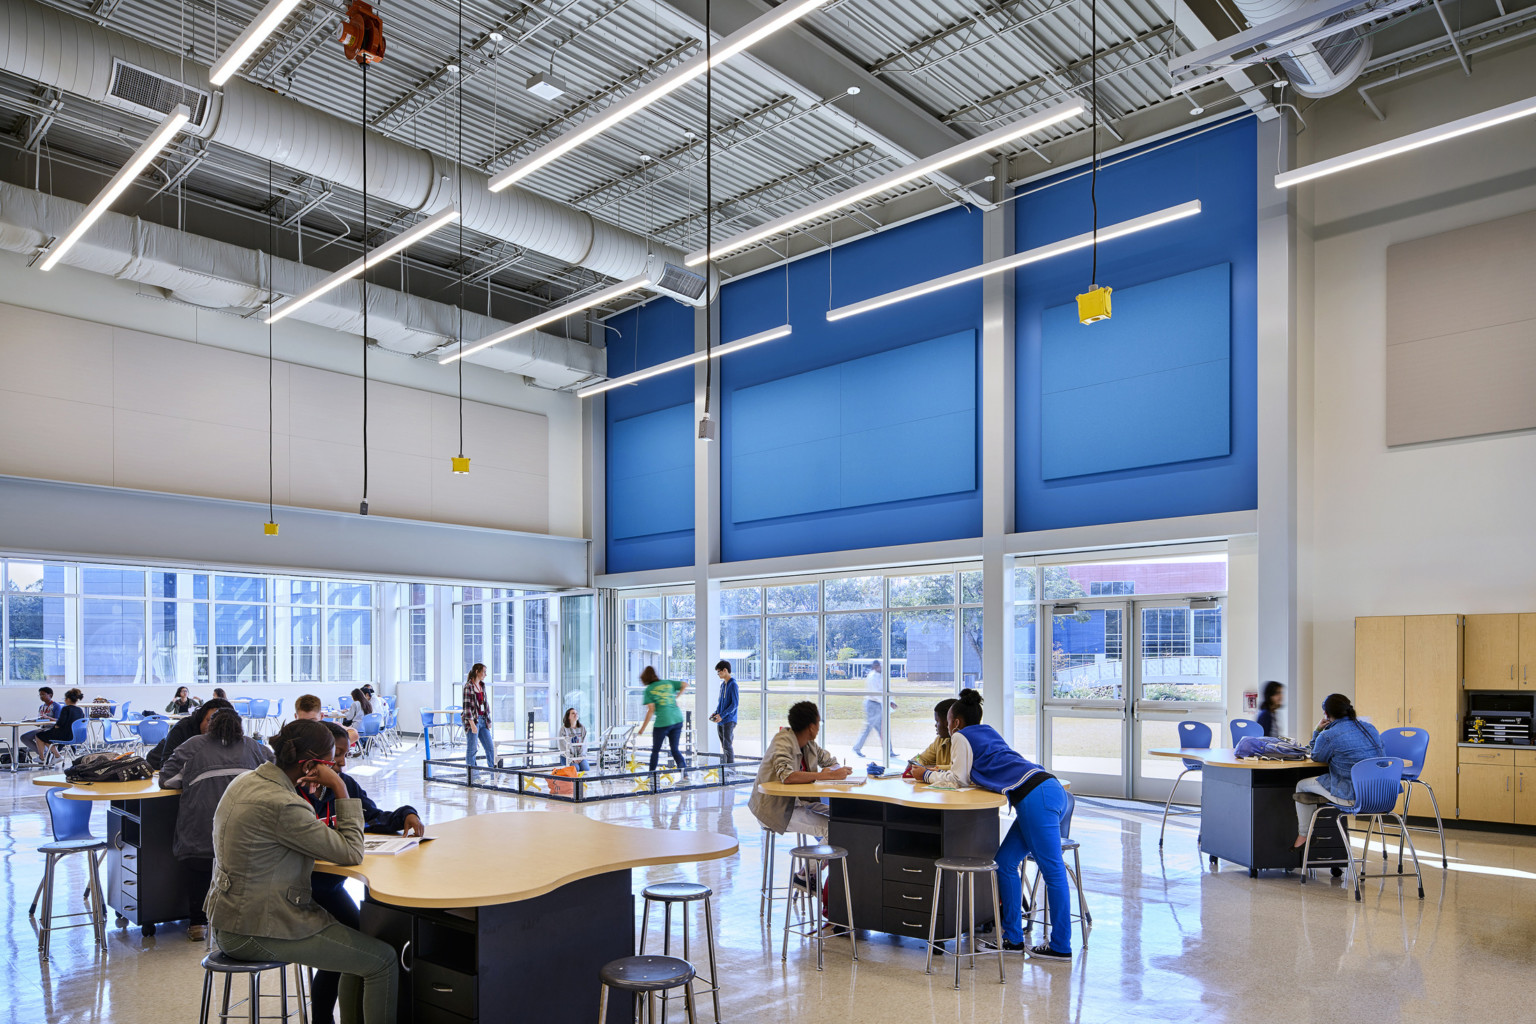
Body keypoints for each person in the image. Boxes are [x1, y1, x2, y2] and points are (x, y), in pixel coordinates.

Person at [207, 719, 398, 1023]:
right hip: (256, 928)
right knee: (382, 960)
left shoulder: (245, 781)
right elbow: (351, 852)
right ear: (311, 765)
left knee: (356, 946)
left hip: (230, 919)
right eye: (329, 764)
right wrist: (338, 787)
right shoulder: (283, 804)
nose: (336, 768)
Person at [919, 688, 1073, 962]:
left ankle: (1061, 945)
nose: (944, 725)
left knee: (1052, 871)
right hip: (1045, 790)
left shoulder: (961, 737)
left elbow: (958, 780)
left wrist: (927, 774)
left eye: (947, 720)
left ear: (955, 722)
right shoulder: (987, 731)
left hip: (1037, 798)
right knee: (1004, 862)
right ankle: (1012, 939)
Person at [305, 722, 422, 1024]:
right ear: (318, 756)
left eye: (346, 754)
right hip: (304, 890)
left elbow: (372, 816)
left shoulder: (346, 784)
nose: (343, 762)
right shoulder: (297, 795)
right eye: (338, 755)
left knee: (355, 939)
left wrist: (405, 813)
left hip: (331, 888)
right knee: (347, 944)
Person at [159, 708, 272, 941]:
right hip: (247, 834)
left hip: (201, 832)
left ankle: (198, 924)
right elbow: (275, 775)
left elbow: (167, 780)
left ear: (210, 725)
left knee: (199, 870)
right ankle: (244, 923)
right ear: (240, 726)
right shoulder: (254, 747)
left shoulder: (193, 745)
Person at [1292, 693, 1385, 847]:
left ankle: (1304, 836)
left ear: (1326, 714)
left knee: (1301, 785)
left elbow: (1316, 755)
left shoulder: (1329, 734)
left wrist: (1317, 731)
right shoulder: (1370, 729)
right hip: (1381, 793)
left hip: (1355, 796)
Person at [748, 701, 850, 840]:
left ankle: (827, 861)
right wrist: (828, 775)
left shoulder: (809, 744)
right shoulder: (782, 741)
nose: (819, 728)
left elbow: (831, 762)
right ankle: (816, 863)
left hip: (800, 803)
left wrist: (833, 770)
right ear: (811, 727)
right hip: (775, 809)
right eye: (818, 723)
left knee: (845, 819)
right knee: (833, 829)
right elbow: (788, 776)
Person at [147, 698, 234, 770]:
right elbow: (165, 764)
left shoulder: (228, 734)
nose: (211, 727)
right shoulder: (182, 728)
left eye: (218, 724)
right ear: (201, 717)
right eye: (208, 721)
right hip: (157, 766)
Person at [638, 666, 688, 772]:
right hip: (677, 719)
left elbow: (651, 710)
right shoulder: (667, 682)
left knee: (655, 750)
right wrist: (676, 697)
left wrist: (642, 728)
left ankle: (651, 776)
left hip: (663, 722)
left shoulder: (649, 690)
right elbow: (684, 684)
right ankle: (685, 775)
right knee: (675, 749)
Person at [852, 660, 897, 760]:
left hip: (879, 703)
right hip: (872, 704)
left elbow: (885, 690)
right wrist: (888, 702)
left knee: (883, 728)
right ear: (875, 666)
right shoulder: (872, 677)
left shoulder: (881, 676)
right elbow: (876, 693)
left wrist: (891, 701)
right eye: (878, 666)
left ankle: (889, 751)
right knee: (869, 727)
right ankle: (856, 748)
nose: (881, 667)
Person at [30, 688, 85, 763]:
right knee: (46, 737)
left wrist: (56, 726)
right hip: (76, 736)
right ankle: (56, 756)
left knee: (39, 736)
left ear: (68, 699)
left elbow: (60, 723)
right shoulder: (80, 710)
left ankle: (42, 758)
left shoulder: (66, 709)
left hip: (65, 735)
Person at [908, 697, 958, 771]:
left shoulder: (963, 743)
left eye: (937, 721)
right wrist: (915, 762)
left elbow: (957, 769)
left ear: (947, 722)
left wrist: (932, 769)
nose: (935, 725)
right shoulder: (939, 740)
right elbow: (920, 757)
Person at [462, 663, 495, 769]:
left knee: (490, 747)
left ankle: (493, 771)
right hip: (472, 721)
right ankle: (472, 775)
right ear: (477, 671)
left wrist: (488, 720)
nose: (485, 674)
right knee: (472, 749)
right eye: (484, 672)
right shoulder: (468, 686)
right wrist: (472, 724)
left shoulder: (482, 685)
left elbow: (486, 705)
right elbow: (467, 708)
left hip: (483, 720)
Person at [19, 686, 61, 760]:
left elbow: (58, 721)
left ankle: (45, 756)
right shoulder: (41, 707)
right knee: (24, 737)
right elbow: (40, 720)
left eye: (43, 695)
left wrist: (48, 718)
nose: (41, 697)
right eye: (40, 695)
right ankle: (44, 754)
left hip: (52, 729)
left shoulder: (56, 706)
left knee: (38, 736)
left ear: (50, 695)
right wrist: (31, 721)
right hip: (42, 728)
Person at [709, 660, 739, 765]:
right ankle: (726, 769)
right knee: (724, 746)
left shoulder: (733, 685)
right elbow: (720, 702)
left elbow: (734, 704)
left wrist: (722, 715)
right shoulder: (723, 685)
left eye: (719, 672)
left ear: (725, 670)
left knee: (727, 745)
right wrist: (716, 713)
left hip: (729, 720)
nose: (718, 674)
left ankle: (731, 770)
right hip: (721, 720)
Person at [558, 708, 590, 773]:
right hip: (567, 757)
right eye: (573, 713)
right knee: (576, 769)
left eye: (576, 713)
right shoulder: (563, 729)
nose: (575, 715)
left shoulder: (582, 728)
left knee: (585, 768)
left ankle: (582, 783)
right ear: (568, 716)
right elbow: (563, 746)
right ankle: (574, 783)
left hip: (580, 756)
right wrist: (571, 758)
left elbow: (585, 744)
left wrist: (580, 757)